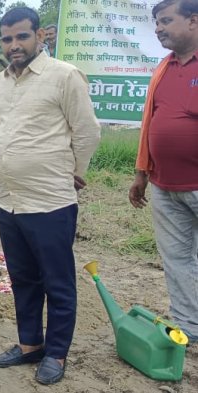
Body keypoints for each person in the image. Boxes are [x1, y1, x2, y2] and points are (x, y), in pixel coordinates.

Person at [0, 7, 100, 385]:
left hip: (50, 201)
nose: (14, 45)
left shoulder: (64, 76)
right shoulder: (0, 82)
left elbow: (87, 131)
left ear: (41, 36)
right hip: (9, 201)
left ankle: (56, 352)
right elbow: (5, 130)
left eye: (22, 36)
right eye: (7, 39)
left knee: (57, 281)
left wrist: (75, 173)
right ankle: (29, 344)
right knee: (22, 279)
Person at [129, 0, 198, 344]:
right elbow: (148, 124)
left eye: (166, 20)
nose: (158, 28)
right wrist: (141, 172)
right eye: (157, 22)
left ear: (194, 21)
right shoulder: (164, 68)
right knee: (177, 262)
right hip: (164, 185)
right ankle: (190, 331)